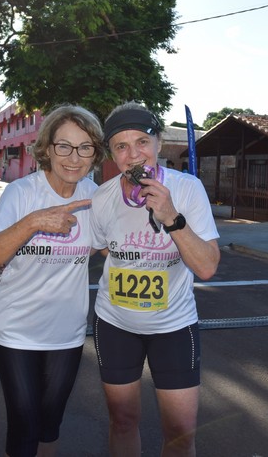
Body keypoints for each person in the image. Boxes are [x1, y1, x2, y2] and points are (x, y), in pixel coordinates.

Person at [0, 105, 105, 457]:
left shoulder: (97, 199)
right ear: (46, 148)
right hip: (15, 330)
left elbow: (110, 249)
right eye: (64, 146)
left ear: (95, 154)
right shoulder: (21, 194)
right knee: (25, 423)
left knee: (50, 423)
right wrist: (32, 223)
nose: (74, 158)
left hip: (67, 333)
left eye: (85, 147)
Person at [89, 102, 221, 456]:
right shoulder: (101, 197)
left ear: (159, 143)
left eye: (142, 141)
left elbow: (207, 267)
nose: (134, 155)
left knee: (180, 431)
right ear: (112, 154)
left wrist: (170, 216)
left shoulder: (188, 189)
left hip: (174, 325)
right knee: (123, 420)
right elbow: (103, 249)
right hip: (115, 322)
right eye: (121, 146)